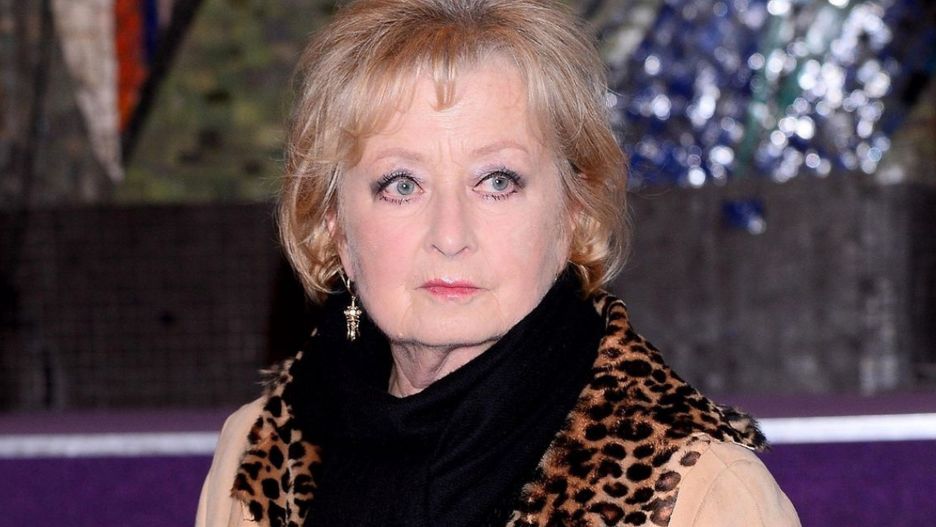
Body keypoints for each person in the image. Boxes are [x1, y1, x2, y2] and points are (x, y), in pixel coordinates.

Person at [196, 0, 801, 525]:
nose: (450, 236)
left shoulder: (692, 493)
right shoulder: (260, 458)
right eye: (402, 184)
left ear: (575, 213)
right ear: (334, 228)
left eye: (497, 181)